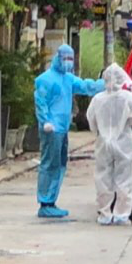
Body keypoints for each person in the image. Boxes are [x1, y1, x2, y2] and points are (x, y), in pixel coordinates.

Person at [35, 44, 104, 218]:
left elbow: (86, 86)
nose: (68, 62)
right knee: (49, 164)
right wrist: (45, 121)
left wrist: (104, 84)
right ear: (58, 57)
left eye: (70, 58)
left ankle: (51, 200)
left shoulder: (68, 79)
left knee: (59, 164)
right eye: (65, 58)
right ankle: (45, 201)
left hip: (62, 128)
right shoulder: (45, 79)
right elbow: (40, 102)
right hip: (51, 129)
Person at [86, 63, 132, 226]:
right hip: (124, 141)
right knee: (125, 178)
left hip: (103, 142)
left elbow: (91, 120)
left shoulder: (97, 99)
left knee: (103, 178)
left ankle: (104, 214)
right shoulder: (128, 98)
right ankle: (121, 215)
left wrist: (101, 131)